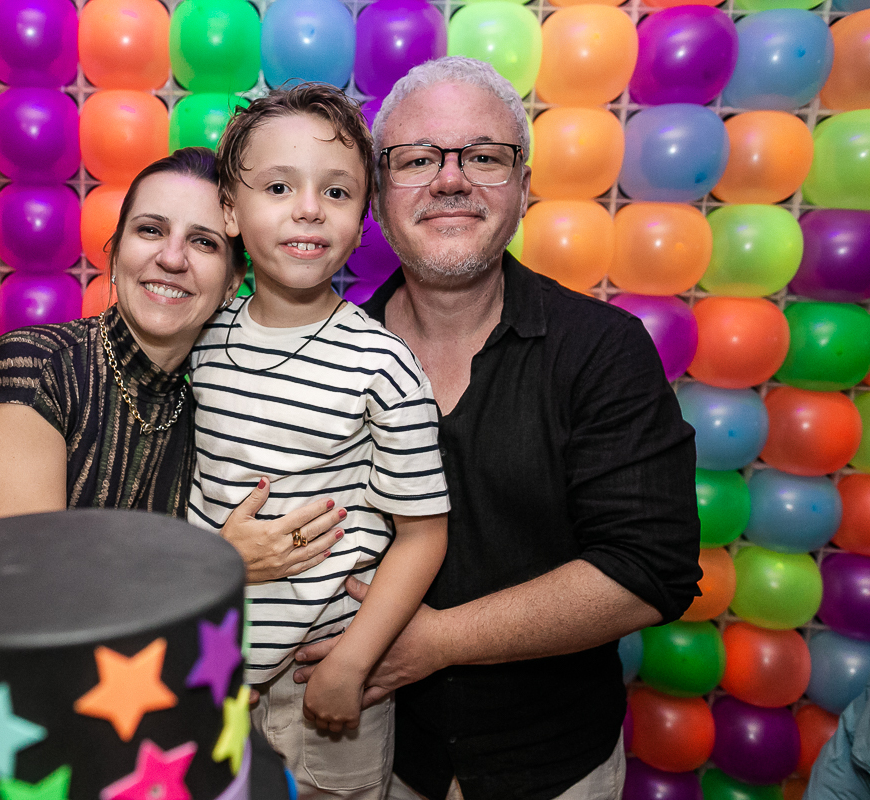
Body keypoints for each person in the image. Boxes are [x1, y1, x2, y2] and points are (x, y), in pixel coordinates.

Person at [0, 148, 345, 799]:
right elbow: (35, 600)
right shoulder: (34, 368)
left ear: (233, 279)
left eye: (205, 243)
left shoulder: (208, 404)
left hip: (116, 749)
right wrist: (221, 565)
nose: (172, 257)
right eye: (151, 230)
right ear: (114, 253)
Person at [293, 57, 702, 800]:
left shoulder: (602, 349)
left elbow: (651, 569)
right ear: (378, 199)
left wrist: (434, 642)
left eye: (483, 156)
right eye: (417, 160)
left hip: (553, 767)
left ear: (521, 186)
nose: (451, 180)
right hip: (370, 755)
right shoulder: (324, 357)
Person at [188, 84, 450, 799]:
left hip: (325, 678)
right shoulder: (201, 342)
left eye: (336, 192)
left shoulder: (383, 363)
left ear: (362, 217)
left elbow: (423, 535)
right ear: (231, 212)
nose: (309, 207)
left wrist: (352, 665)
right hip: (208, 674)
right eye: (279, 186)